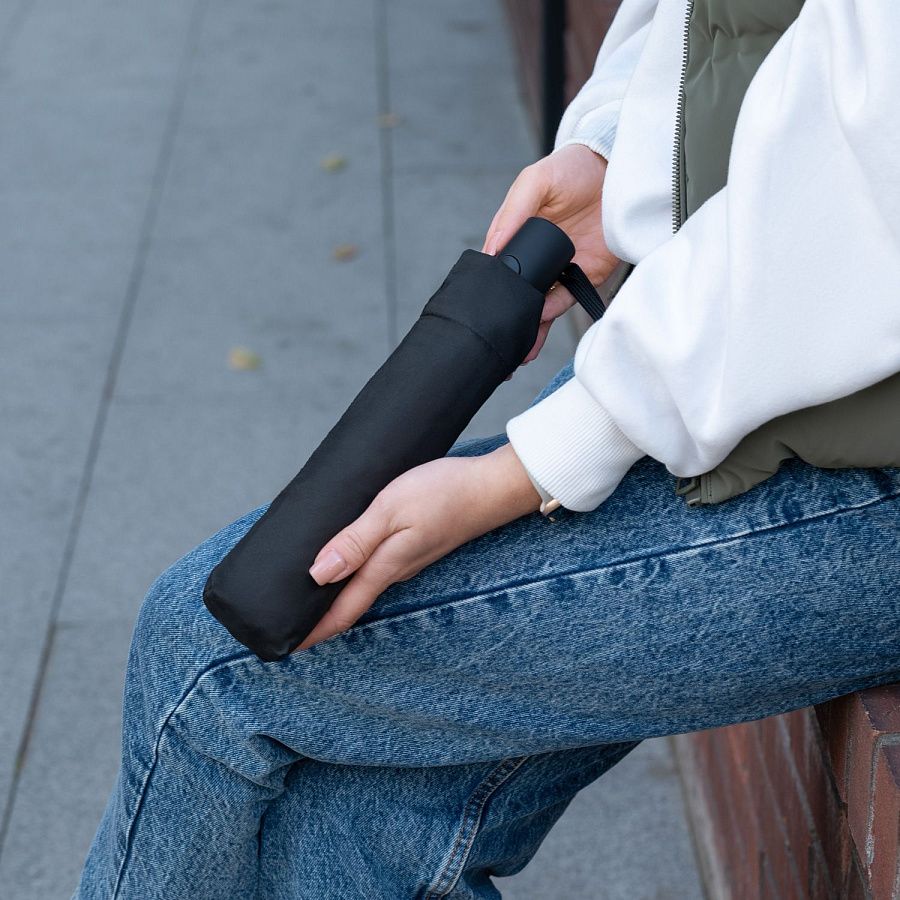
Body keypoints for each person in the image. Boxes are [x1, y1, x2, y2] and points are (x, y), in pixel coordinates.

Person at [75, 0, 900, 897]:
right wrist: (618, 151)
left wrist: (530, 467)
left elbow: (850, 194)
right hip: (731, 366)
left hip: (849, 441)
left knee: (206, 654)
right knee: (353, 825)